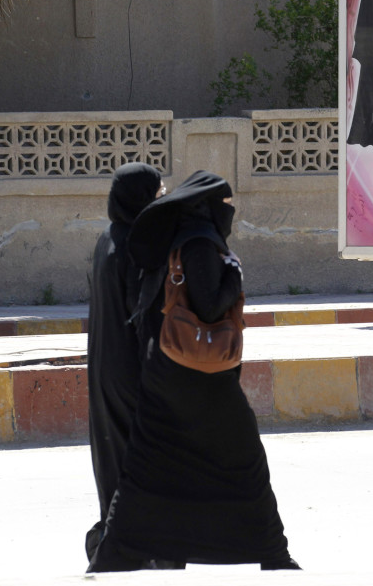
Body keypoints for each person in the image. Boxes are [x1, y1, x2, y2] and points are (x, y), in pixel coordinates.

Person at [87, 170, 300, 572]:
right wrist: (233, 274)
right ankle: (267, 555)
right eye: (226, 203)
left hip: (117, 372)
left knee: (135, 469)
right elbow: (185, 307)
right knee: (222, 465)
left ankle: (116, 551)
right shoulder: (181, 244)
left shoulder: (118, 241)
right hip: (151, 374)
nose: (231, 211)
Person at [85, 162, 164, 561]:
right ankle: (131, 547)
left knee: (113, 456)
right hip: (130, 370)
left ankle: (113, 538)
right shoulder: (135, 244)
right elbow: (141, 313)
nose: (162, 198)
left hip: (102, 367)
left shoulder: (106, 239)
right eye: (157, 192)